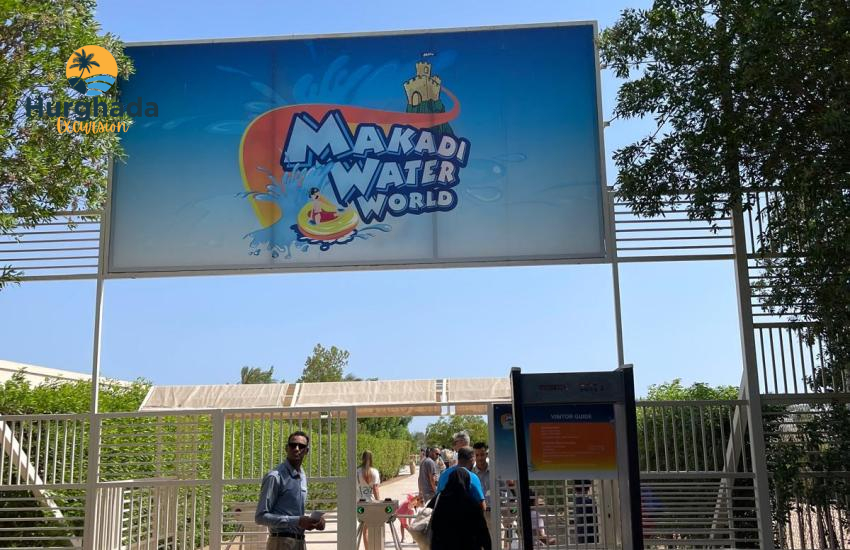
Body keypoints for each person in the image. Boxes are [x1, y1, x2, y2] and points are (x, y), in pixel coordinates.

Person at [256, 431, 325, 549]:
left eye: (301, 446)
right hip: (280, 542)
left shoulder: (302, 475)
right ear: (286, 448)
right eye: (293, 445)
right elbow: (260, 517)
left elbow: (295, 514)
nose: (297, 449)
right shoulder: (275, 477)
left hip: (300, 542)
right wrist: (297, 521)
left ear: (306, 451)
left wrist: (314, 522)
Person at [430, 468, 492, 550]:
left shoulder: (438, 500)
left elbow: (432, 523)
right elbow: (483, 532)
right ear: (467, 482)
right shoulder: (472, 504)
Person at [436, 446, 486, 511]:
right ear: (472, 459)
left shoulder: (444, 474)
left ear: (458, 458)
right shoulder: (472, 477)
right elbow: (482, 506)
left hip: (444, 514)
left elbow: (438, 496)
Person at [356, 450, 381, 549]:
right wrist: (379, 502)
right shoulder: (374, 472)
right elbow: (375, 489)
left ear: (362, 458)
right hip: (372, 503)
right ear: (372, 458)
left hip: (360, 504)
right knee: (375, 528)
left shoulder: (357, 472)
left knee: (364, 530)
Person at [472, 442, 491, 513]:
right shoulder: (470, 474)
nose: (480, 458)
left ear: (486, 454)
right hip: (477, 512)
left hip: (495, 511)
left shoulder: (494, 471)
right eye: (477, 455)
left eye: (482, 454)